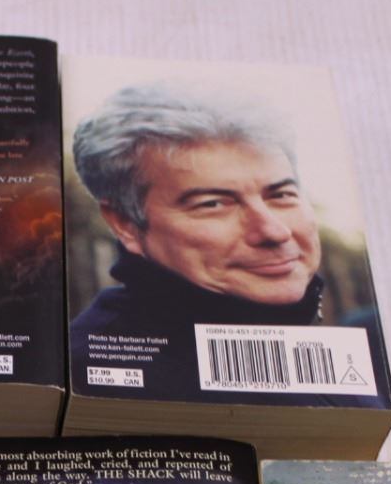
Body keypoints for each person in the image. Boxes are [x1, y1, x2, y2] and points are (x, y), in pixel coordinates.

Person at [69, 84, 328, 339]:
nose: (274, 232)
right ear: (126, 224)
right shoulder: (91, 361)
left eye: (281, 195)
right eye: (212, 204)